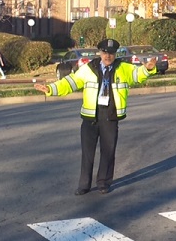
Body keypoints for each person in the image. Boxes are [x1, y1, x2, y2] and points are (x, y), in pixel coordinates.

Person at [34, 39, 157, 195]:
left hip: (110, 115)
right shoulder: (88, 69)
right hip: (90, 115)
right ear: (100, 52)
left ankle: (103, 182)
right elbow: (70, 83)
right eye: (105, 52)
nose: (108, 56)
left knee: (108, 151)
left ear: (115, 54)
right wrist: (50, 89)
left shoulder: (123, 68)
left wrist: (147, 69)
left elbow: (138, 74)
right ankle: (84, 184)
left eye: (111, 53)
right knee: (87, 152)